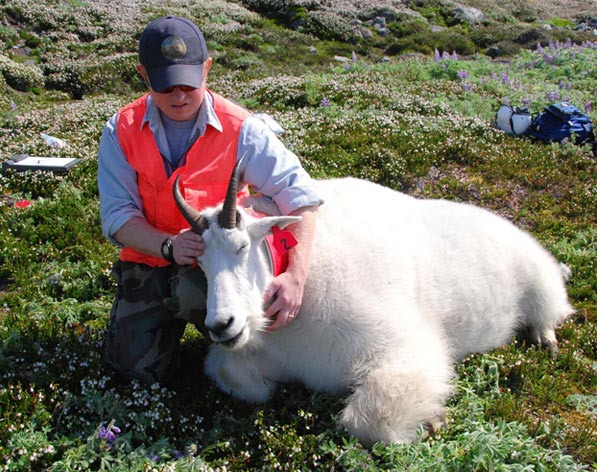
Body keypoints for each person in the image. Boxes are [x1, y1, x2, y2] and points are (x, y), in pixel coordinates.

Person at [97, 15, 322, 384]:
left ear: (207, 68)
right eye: (166, 86)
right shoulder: (119, 130)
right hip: (150, 258)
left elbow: (302, 197)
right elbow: (118, 218)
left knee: (210, 306)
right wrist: (168, 246)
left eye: (189, 83)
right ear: (143, 75)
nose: (179, 96)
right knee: (137, 371)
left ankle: (242, 341)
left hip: (223, 260)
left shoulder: (243, 128)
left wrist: (296, 275)